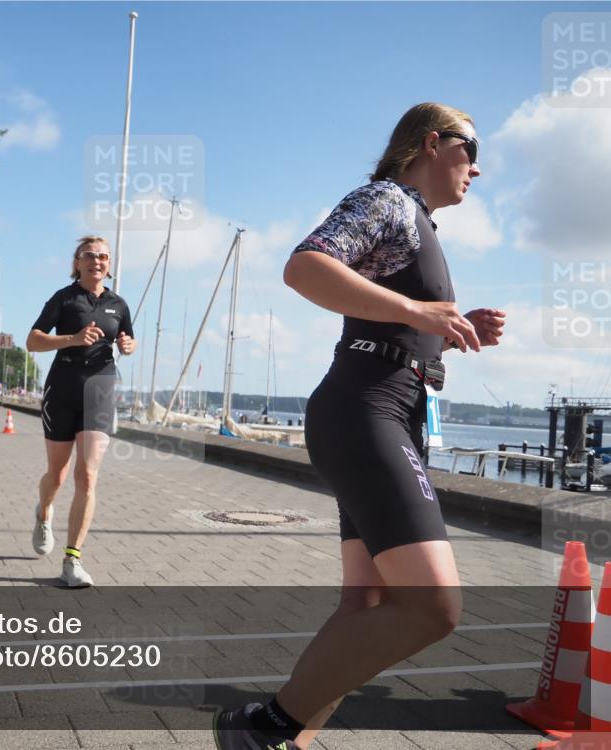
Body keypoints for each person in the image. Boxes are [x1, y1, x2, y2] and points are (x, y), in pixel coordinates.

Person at [213, 103, 506, 749]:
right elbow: (305, 266)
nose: (478, 168)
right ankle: (260, 727)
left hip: (386, 410)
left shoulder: (420, 224)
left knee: (366, 607)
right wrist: (420, 313)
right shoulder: (388, 201)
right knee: (434, 606)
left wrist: (451, 334)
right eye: (471, 149)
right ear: (432, 143)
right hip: (365, 411)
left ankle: (284, 742)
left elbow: (396, 326)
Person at [26, 236, 136, 587]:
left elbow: (127, 340)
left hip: (100, 389)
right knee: (57, 476)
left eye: (103, 256)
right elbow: (33, 341)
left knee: (87, 475)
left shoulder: (119, 304)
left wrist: (128, 345)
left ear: (109, 264)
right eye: (89, 255)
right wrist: (72, 339)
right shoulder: (64, 298)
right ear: (77, 262)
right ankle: (44, 512)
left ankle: (72, 560)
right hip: (62, 388)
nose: (96, 260)